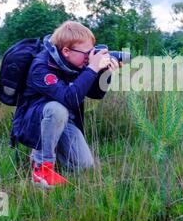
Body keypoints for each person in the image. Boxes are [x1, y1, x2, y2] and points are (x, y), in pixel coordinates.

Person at [10, 21, 120, 188]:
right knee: (57, 109)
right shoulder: (41, 67)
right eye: (87, 52)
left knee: (84, 166)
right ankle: (42, 169)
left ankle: (45, 153)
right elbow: (69, 99)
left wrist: (105, 73)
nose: (90, 56)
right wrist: (91, 68)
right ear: (66, 51)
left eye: (92, 51)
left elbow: (95, 94)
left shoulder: (74, 63)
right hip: (35, 120)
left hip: (64, 120)